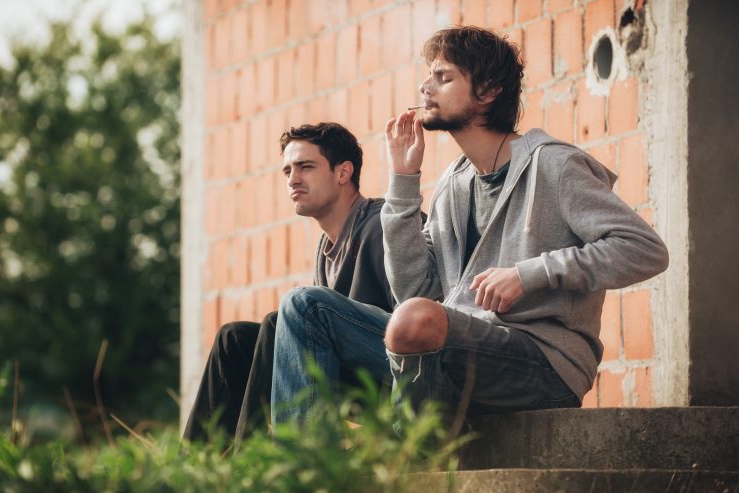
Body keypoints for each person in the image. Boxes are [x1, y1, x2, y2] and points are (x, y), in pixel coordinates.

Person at [271, 26, 668, 433]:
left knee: (410, 319)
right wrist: (404, 180)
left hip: (539, 365)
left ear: (489, 90)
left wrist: (529, 274)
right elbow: (415, 294)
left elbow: (644, 249)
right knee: (307, 307)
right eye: (429, 76)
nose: (426, 87)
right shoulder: (455, 183)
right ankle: (307, 474)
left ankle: (411, 450)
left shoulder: (554, 165)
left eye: (443, 77)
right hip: (457, 353)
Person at [183, 122, 395, 443]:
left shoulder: (383, 224)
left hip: (394, 373)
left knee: (275, 322)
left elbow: (415, 313)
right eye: (287, 171)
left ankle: (256, 464)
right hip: (348, 370)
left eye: (306, 167)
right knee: (235, 340)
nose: (293, 179)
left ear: (343, 172)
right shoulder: (325, 249)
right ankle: (198, 473)